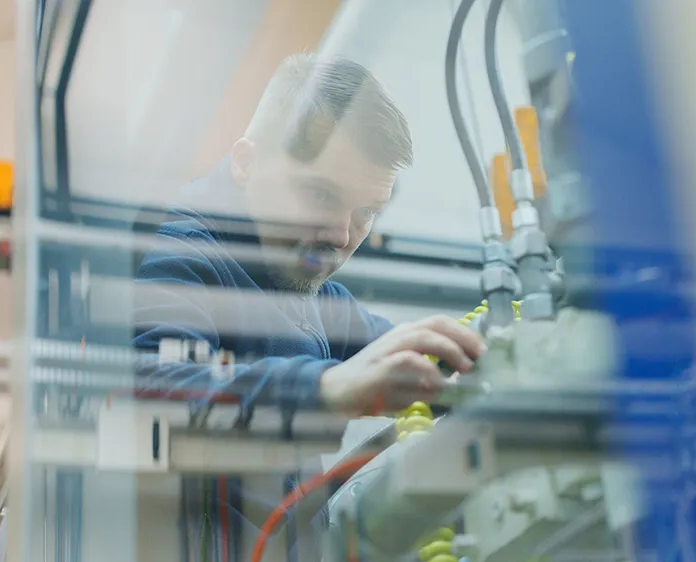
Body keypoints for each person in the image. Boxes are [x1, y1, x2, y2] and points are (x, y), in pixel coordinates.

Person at [133, 54, 485, 419]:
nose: (340, 234)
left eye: (366, 213)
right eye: (319, 194)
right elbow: (157, 392)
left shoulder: (311, 292)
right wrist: (328, 387)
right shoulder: (178, 257)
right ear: (245, 164)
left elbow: (413, 359)